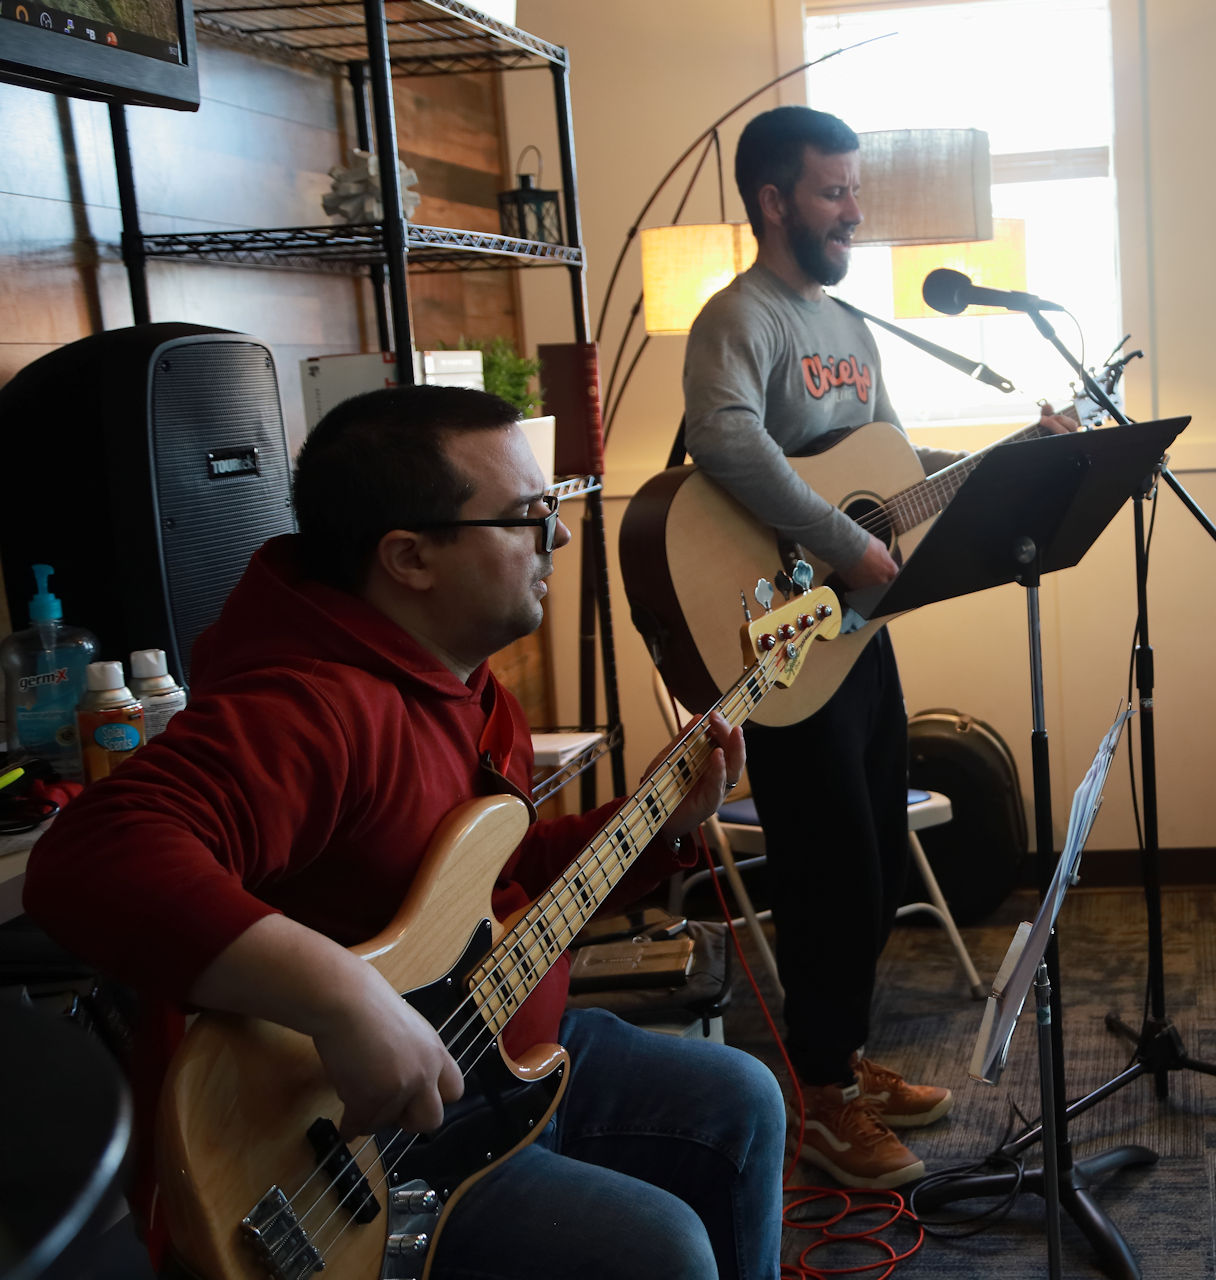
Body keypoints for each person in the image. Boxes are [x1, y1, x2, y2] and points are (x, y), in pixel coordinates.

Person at [23, 386, 781, 1280]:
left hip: (503, 1055)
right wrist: (345, 1000)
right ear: (410, 557)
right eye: (528, 516)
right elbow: (91, 855)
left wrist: (658, 824)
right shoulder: (310, 707)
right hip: (363, 1147)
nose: (558, 538)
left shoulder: (465, 683)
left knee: (743, 1099)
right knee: (661, 1249)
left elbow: (500, 887)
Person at [681, 105, 1074, 1189]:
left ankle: (841, 1062)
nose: (855, 210)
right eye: (834, 190)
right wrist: (847, 540)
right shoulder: (740, 316)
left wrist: (1011, 457)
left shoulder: (848, 327)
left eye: (855, 189)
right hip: (783, 636)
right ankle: (820, 1102)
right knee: (828, 868)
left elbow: (893, 463)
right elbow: (722, 437)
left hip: (852, 639)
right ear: (774, 201)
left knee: (874, 860)